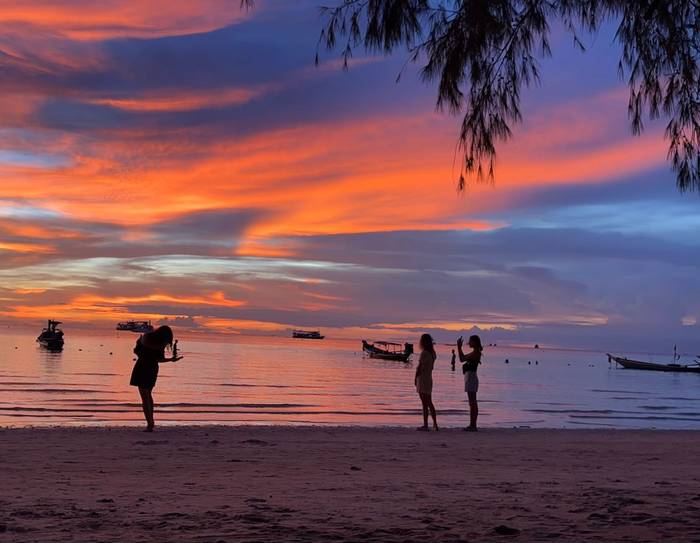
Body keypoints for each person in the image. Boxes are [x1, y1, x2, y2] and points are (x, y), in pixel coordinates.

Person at [129, 325, 182, 432]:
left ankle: (150, 423)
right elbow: (159, 359)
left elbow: (136, 351)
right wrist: (171, 360)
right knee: (148, 395)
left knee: (144, 397)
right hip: (152, 369)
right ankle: (151, 422)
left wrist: (138, 342)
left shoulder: (146, 338)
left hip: (141, 367)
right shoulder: (160, 344)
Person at [457, 334, 482, 431]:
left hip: (471, 377)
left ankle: (473, 425)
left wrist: (459, 347)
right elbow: (462, 359)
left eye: (471, 341)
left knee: (472, 402)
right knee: (472, 402)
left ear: (475, 342)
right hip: (469, 377)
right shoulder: (474, 352)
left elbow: (462, 359)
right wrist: (459, 347)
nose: (469, 343)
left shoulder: (476, 353)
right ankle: (472, 424)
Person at [414, 333, 438, 431]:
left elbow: (419, 367)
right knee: (428, 402)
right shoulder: (432, 353)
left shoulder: (424, 353)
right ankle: (433, 424)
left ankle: (427, 425)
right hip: (428, 378)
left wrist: (415, 378)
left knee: (425, 403)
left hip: (423, 378)